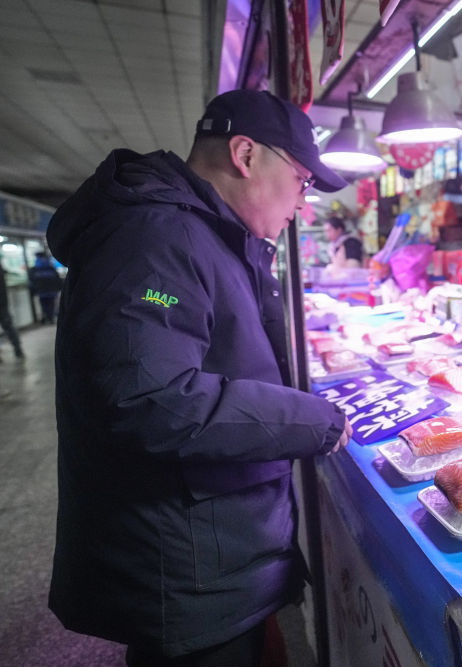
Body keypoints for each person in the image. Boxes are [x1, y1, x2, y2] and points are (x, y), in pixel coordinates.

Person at [46, 89, 353, 666]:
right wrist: (311, 420)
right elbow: (148, 398)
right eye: (302, 181)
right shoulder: (153, 237)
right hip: (182, 566)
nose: (303, 202)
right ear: (245, 154)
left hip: (210, 551)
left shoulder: (206, 233)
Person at [27, 251, 64, 324]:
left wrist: (33, 291)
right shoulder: (51, 268)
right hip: (52, 291)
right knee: (51, 304)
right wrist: (59, 288)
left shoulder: (34, 269)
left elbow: (31, 281)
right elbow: (58, 280)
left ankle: (47, 318)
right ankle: (50, 318)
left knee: (44, 305)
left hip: (41, 291)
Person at [0, 267, 25, 360]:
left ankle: (18, 349)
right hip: (3, 302)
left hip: (2, 302)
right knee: (8, 326)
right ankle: (18, 350)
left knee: (8, 325)